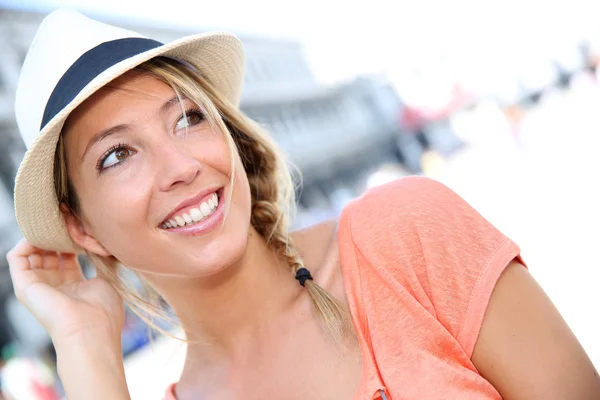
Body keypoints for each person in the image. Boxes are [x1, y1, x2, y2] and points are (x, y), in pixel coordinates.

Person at [6, 8, 600, 400]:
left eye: (187, 118)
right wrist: (85, 347)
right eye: (117, 155)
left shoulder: (404, 235)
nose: (181, 166)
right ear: (81, 228)